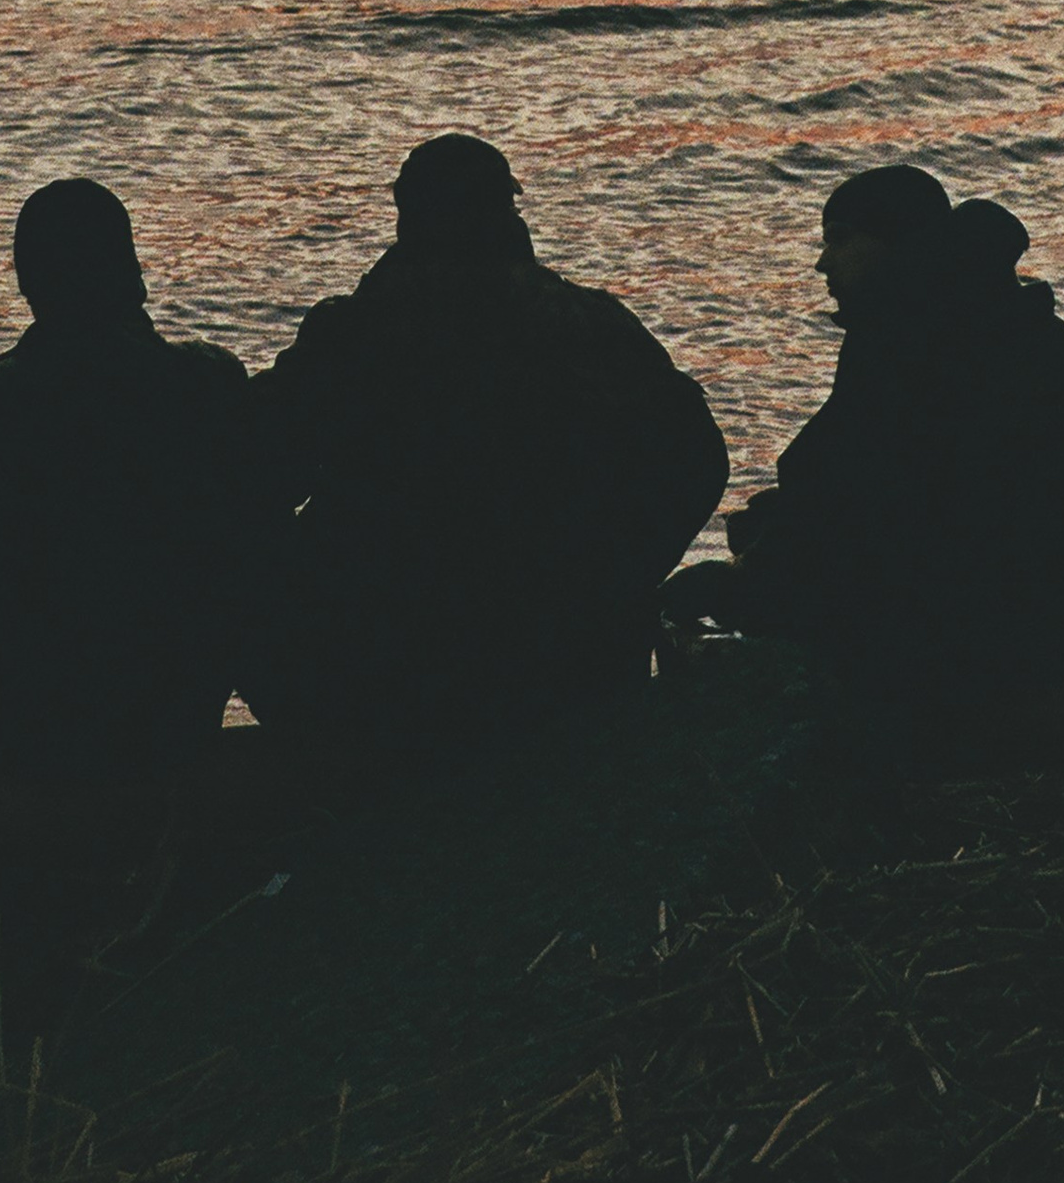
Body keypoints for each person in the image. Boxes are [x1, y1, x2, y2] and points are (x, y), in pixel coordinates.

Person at [249, 133, 728, 748]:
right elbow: (697, 460)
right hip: (569, 655)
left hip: (389, 657)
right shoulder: (592, 323)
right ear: (509, 210)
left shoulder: (358, 333)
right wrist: (616, 581)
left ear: (406, 213)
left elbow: (257, 466)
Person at [671, 167, 1064, 734]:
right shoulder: (1024, 329)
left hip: (954, 648)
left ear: (897, 243)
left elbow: (864, 511)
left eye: (840, 237)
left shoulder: (907, 344)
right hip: (1046, 624)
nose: (822, 262)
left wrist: (738, 584)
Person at [0, 178, 287, 787]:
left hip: (23, 715)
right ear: (132, 272)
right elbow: (262, 542)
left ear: (29, 283)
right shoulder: (207, 381)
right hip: (174, 704)